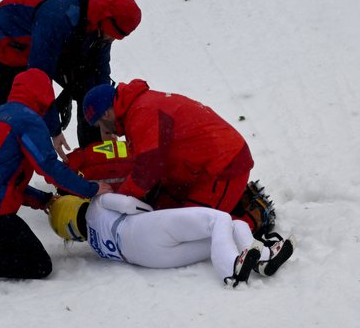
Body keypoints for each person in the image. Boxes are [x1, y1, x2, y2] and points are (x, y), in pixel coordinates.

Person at [0, 0, 141, 205]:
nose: (112, 41)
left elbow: (99, 71)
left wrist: (105, 119)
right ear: (105, 20)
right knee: (7, 121)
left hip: (53, 42)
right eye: (112, 36)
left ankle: (89, 173)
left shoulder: (101, 24)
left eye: (117, 38)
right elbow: (39, 76)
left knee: (88, 93)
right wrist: (53, 130)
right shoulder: (59, 16)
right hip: (6, 43)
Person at [0, 69, 113, 296]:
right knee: (37, 263)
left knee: (4, 246)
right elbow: (49, 167)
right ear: (44, 95)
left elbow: (1, 178)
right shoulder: (28, 120)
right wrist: (91, 189)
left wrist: (42, 199)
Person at [80, 79, 263, 232]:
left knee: (191, 230)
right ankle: (236, 201)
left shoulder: (141, 113)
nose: (103, 131)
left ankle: (253, 218)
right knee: (160, 214)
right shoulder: (139, 107)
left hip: (223, 167)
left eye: (100, 125)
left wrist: (118, 201)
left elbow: (146, 171)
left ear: (106, 113)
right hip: (200, 167)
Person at [48, 193, 294, 286]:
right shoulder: (96, 204)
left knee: (233, 227)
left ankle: (262, 260)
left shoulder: (94, 246)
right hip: (144, 228)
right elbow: (132, 206)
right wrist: (158, 215)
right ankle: (231, 267)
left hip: (149, 258)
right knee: (218, 219)